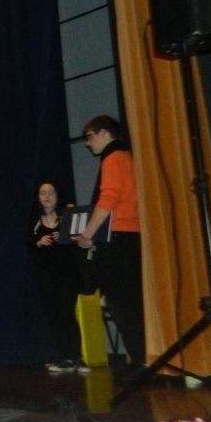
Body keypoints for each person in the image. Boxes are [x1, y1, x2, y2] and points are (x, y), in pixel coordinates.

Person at [77, 115, 144, 371]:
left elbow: (108, 199)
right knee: (131, 301)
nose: (88, 143)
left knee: (121, 303)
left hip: (117, 237)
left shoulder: (113, 158)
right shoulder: (128, 157)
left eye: (90, 136)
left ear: (104, 133)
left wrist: (87, 234)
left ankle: (139, 360)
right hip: (131, 236)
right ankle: (142, 357)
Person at [28, 181, 87, 374]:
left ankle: (76, 356)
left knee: (67, 313)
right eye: (42, 193)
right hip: (45, 275)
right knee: (54, 315)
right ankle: (64, 357)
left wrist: (65, 238)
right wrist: (38, 242)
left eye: (51, 192)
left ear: (57, 195)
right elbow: (28, 245)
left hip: (67, 274)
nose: (47, 196)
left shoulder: (67, 217)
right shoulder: (34, 220)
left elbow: (80, 243)